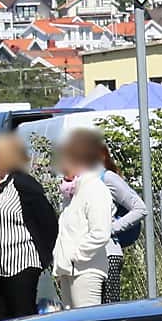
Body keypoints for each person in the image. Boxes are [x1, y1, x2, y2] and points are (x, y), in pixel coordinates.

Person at [0, 133, 57, 321]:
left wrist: (43, 257)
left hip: (20, 264)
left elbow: (47, 222)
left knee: (22, 318)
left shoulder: (23, 184)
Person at [52, 130, 115, 309]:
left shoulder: (94, 188)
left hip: (86, 271)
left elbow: (101, 233)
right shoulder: (72, 191)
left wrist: (76, 256)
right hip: (68, 269)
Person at [98, 157, 148, 303]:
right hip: (84, 256)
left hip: (108, 254)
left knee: (108, 311)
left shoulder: (107, 178)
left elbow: (140, 209)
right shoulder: (75, 181)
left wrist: (109, 229)